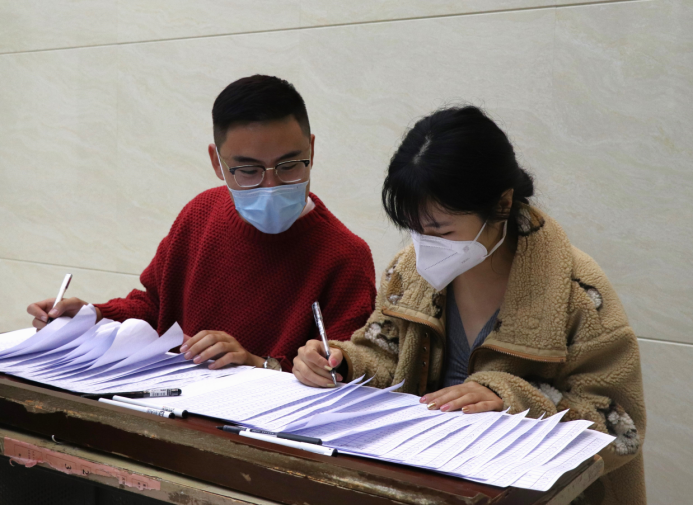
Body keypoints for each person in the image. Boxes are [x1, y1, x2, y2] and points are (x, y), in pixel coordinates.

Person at [292, 106, 645, 504]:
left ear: (502, 204)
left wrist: (509, 399)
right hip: (430, 485)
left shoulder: (577, 293)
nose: (423, 247)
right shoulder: (408, 272)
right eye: (414, 229)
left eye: (441, 231)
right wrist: (342, 364)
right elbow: (387, 356)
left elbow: (621, 428)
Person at [27, 75, 376, 372]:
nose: (270, 185)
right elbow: (155, 309)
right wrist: (92, 315)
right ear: (217, 163)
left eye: (289, 166)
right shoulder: (201, 213)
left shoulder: (346, 257)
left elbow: (341, 376)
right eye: (248, 170)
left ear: (311, 151)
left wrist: (257, 364)